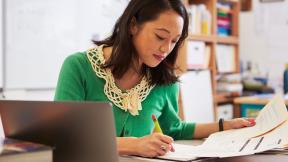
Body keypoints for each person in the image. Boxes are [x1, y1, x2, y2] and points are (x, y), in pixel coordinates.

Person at [54, 0, 255, 158]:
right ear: (133, 25)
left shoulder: (164, 81)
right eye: (160, 36)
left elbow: (173, 129)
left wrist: (224, 126)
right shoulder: (78, 67)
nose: (166, 49)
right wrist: (133, 145)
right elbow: (65, 137)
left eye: (174, 41)